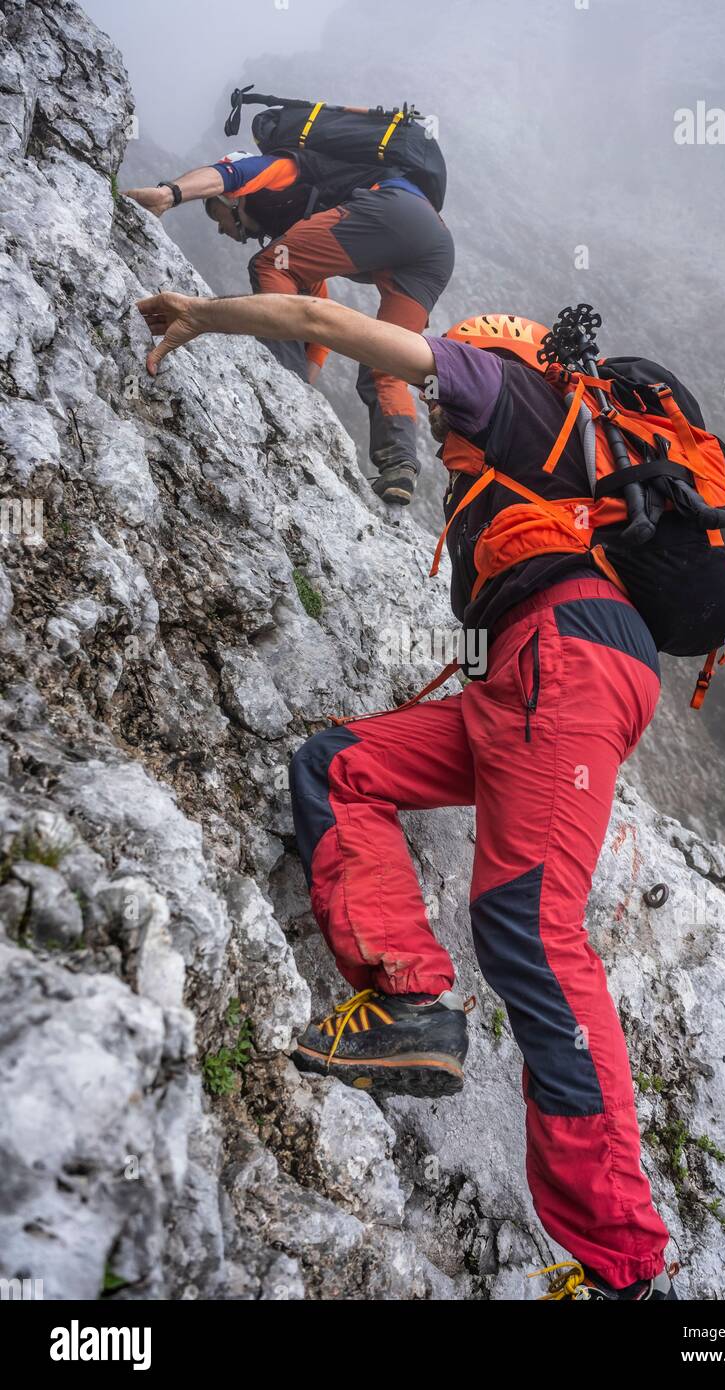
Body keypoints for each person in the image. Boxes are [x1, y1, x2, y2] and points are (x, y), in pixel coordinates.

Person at [136, 290, 676, 1302]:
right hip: (527, 680)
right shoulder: (545, 454)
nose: (429, 409)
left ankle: (623, 1268)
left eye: (436, 390)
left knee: (530, 929)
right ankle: (410, 1007)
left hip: (556, 668)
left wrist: (207, 315)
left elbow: (323, 316)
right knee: (339, 763)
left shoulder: (501, 388)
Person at [126, 146, 455, 506]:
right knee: (388, 358)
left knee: (271, 265)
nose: (220, 229)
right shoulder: (300, 229)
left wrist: (169, 194)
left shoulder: (289, 169)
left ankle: (281, 376)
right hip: (434, 244)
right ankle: (399, 465)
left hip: (397, 211)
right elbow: (316, 305)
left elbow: (233, 173)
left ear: (235, 201)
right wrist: (305, 391)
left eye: (216, 212)